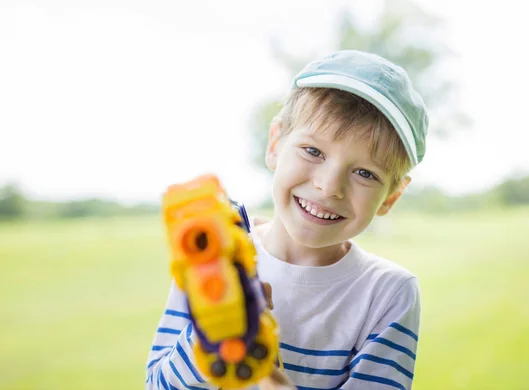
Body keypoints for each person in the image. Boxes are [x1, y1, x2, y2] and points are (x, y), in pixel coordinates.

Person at [145, 49, 429, 390]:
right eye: (313, 151)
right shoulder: (210, 254)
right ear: (276, 143)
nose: (329, 186)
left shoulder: (387, 294)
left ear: (392, 197)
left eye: (365, 173)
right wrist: (214, 333)